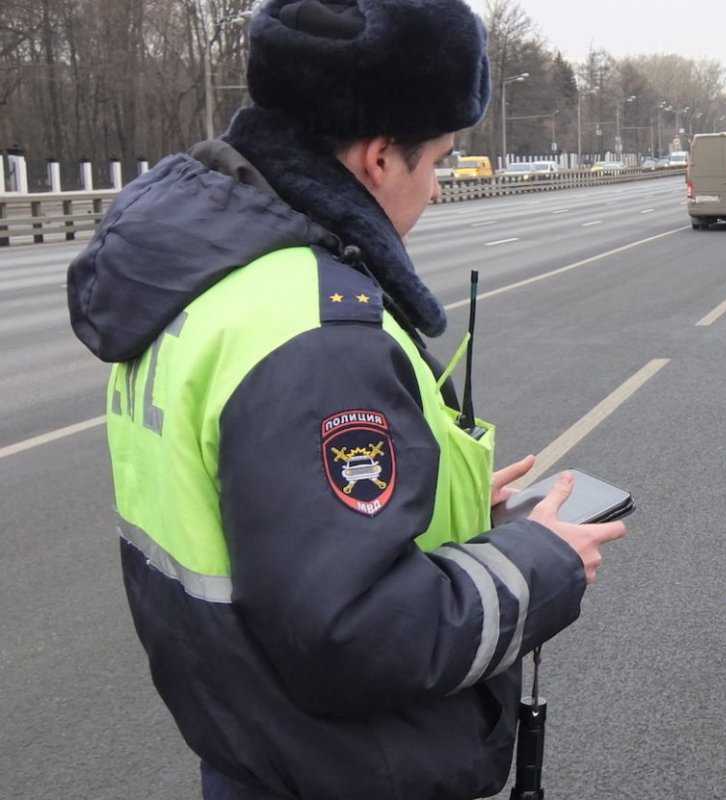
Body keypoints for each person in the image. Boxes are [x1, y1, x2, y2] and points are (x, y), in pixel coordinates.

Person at [66, 2, 624, 798]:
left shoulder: (200, 279)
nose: (434, 189)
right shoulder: (319, 329)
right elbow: (353, 636)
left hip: (252, 748)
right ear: (375, 160)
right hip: (341, 769)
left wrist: (449, 503)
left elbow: (262, 519)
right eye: (437, 160)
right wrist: (540, 563)